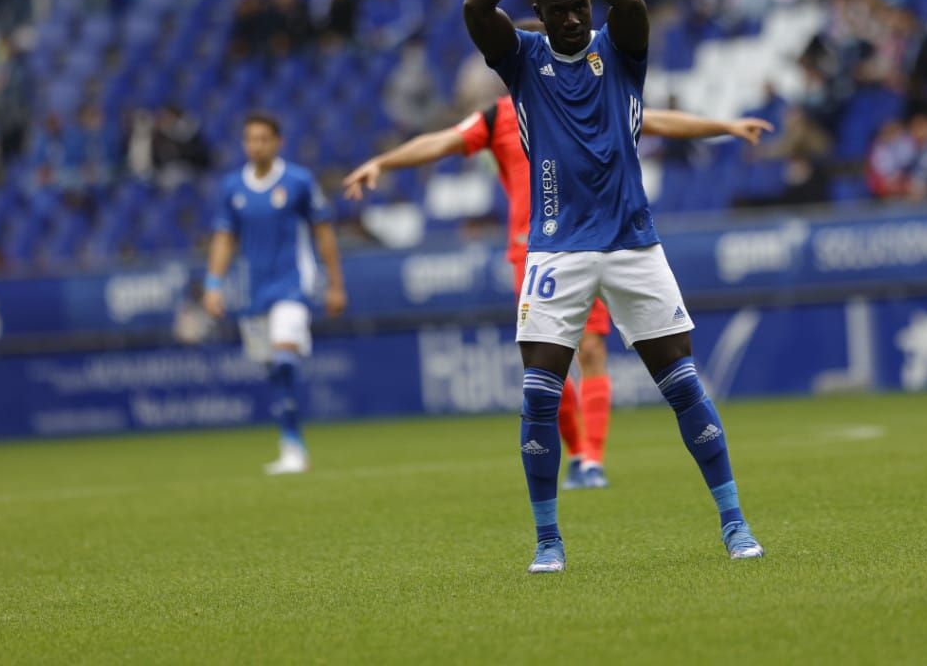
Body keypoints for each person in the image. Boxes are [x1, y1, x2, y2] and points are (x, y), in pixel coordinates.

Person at [461, 0, 764, 573]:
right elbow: (477, 4)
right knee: (539, 400)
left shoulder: (621, 52)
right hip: (557, 253)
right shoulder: (523, 61)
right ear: (536, 11)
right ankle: (547, 540)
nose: (569, 17)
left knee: (684, 385)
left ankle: (735, 522)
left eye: (576, 6)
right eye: (556, 8)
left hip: (634, 244)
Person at [342, 83, 772, 491]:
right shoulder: (498, 117)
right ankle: (578, 451)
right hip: (533, 253)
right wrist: (384, 162)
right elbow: (439, 142)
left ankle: (593, 460)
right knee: (549, 363)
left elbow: (653, 120)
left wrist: (725, 126)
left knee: (592, 349)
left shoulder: (589, 100)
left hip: (595, 242)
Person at [203, 112, 348, 475]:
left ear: (278, 142)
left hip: (293, 285)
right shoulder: (232, 187)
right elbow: (225, 238)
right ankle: (292, 445)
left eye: (264, 138)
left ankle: (294, 450)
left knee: (284, 359)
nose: (257, 145)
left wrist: (335, 284)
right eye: (250, 139)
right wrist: (212, 284)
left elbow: (324, 232)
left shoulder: (298, 181)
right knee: (273, 371)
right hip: (254, 292)